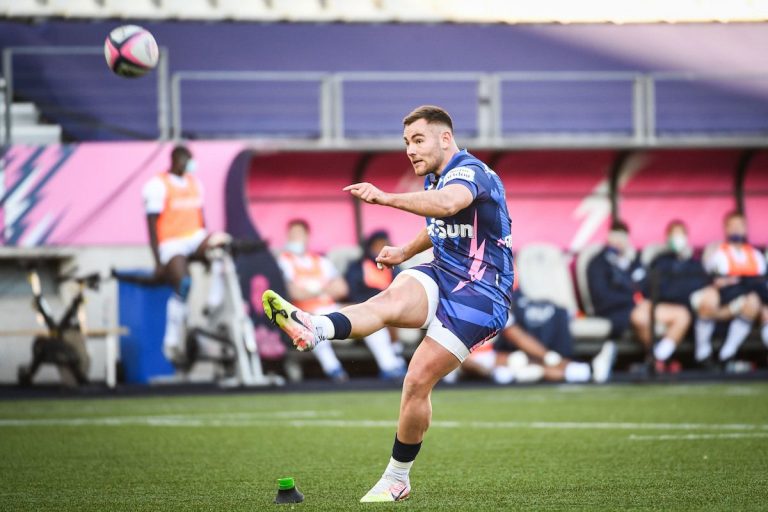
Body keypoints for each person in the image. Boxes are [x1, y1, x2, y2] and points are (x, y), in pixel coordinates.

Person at [263, 105, 515, 502]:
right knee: (388, 300)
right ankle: (317, 328)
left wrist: (384, 198)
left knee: (416, 381)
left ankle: (397, 477)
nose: (410, 150)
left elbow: (450, 204)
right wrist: (404, 251)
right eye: (406, 143)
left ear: (445, 138)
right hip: (443, 271)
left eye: (418, 140)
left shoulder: (470, 171)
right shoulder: (436, 178)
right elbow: (440, 223)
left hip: (481, 295)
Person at [142, 144, 229, 363]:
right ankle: (171, 338)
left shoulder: (194, 183)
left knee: (222, 248)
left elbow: (201, 216)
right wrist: (158, 260)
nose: (189, 164)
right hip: (172, 241)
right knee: (184, 284)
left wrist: (205, 245)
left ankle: (213, 301)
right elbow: (151, 226)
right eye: (185, 159)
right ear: (175, 160)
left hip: (194, 236)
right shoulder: (157, 185)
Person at [447, 291, 617, 385]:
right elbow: (451, 349)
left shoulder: (489, 302)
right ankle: (585, 371)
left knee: (520, 362)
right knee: (517, 362)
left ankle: (583, 371)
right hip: (455, 362)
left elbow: (517, 336)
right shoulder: (455, 302)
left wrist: (549, 357)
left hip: (489, 359)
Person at [587, 220, 691, 368]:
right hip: (617, 311)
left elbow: (648, 287)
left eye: (621, 237)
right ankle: (660, 362)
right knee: (641, 317)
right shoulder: (598, 263)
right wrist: (634, 301)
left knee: (682, 315)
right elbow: (600, 296)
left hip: (644, 306)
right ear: (608, 238)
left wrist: (645, 301)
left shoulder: (634, 261)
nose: (617, 242)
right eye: (614, 237)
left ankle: (659, 357)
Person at [276, 219, 349, 382]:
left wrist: (313, 291)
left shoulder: (321, 261)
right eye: (292, 235)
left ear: (307, 236)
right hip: (304, 313)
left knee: (365, 313)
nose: (295, 238)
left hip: (330, 308)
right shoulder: (284, 261)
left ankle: (391, 365)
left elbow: (342, 288)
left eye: (298, 234)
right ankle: (334, 369)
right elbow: (294, 293)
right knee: (315, 324)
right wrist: (323, 290)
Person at [648, 220, 721, 367]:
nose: (677, 238)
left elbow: (702, 285)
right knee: (682, 314)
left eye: (680, 234)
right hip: (669, 308)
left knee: (710, 297)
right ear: (667, 237)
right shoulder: (660, 261)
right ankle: (657, 358)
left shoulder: (695, 262)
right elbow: (660, 290)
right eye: (673, 234)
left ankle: (703, 353)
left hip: (693, 309)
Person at [704, 211, 768, 364]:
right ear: (725, 229)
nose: (737, 229)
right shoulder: (718, 253)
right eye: (733, 226)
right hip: (729, 300)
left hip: (757, 299)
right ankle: (727, 353)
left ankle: (727, 354)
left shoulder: (756, 255)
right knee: (753, 302)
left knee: (765, 310)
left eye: (740, 225)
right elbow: (716, 282)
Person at [344, 229, 407, 378]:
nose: (380, 250)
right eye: (377, 246)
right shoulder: (358, 266)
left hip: (392, 309)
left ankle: (395, 355)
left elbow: (404, 288)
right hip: (366, 307)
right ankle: (390, 365)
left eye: (384, 245)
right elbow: (353, 292)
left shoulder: (394, 267)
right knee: (375, 325)